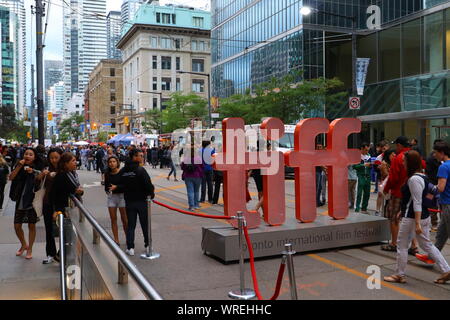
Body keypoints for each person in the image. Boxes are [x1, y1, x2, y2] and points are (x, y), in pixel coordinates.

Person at [383, 150, 450, 284]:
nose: (402, 162)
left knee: (402, 245)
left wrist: (417, 222)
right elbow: (433, 192)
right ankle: (446, 270)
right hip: (420, 217)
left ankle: (399, 274)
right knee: (427, 245)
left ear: (410, 163)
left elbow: (417, 201)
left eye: (404, 161)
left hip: (413, 218)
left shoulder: (414, 179)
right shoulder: (423, 176)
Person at [112, 149, 155, 256]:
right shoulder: (140, 170)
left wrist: (124, 187)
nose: (142, 157)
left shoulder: (124, 170)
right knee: (145, 224)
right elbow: (148, 185)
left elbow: (118, 183)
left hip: (129, 201)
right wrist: (151, 194)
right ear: (134, 157)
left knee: (131, 225)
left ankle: (130, 247)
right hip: (142, 201)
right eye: (140, 155)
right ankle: (148, 245)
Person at [8, 148, 44, 260]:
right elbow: (11, 177)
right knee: (17, 226)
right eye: (26, 154)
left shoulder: (37, 168)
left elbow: (41, 179)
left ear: (34, 157)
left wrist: (33, 172)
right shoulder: (19, 165)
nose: (27, 156)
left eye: (30, 154)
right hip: (20, 200)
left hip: (32, 201)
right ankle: (24, 244)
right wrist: (19, 166)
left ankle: (30, 248)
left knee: (31, 225)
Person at [382, 136, 414, 253]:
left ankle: (394, 243)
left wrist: (386, 188)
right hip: (412, 192)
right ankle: (414, 246)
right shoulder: (414, 155)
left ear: (400, 145)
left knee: (394, 218)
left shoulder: (399, 157)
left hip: (398, 192)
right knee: (410, 218)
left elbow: (393, 178)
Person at [38, 148, 63, 264]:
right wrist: (42, 175)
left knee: (63, 230)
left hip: (61, 204)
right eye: (51, 158)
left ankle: (61, 254)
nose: (53, 160)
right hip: (48, 202)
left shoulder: (65, 169)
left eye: (56, 157)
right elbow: (37, 182)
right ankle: (50, 254)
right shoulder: (46, 169)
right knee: (49, 229)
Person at [104, 156, 128, 245]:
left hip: (122, 197)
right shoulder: (107, 174)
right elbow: (106, 186)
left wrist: (116, 187)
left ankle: (128, 238)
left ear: (117, 163)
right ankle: (116, 240)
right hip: (111, 198)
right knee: (113, 219)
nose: (112, 163)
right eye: (110, 162)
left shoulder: (122, 172)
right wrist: (107, 190)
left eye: (114, 161)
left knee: (124, 219)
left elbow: (126, 185)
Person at [434, 142, 450, 252]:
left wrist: (428, 188)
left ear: (442, 153)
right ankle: (433, 255)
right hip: (447, 203)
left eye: (436, 153)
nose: (434, 155)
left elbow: (440, 188)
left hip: (447, 203)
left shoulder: (443, 167)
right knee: (441, 232)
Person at [426, 139, 444, 230]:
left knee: (441, 205)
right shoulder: (431, 158)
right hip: (432, 185)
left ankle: (442, 223)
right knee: (431, 204)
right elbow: (428, 172)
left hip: (441, 184)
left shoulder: (443, 160)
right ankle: (434, 223)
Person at [181, 146, 204, 211]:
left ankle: (191, 206)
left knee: (190, 191)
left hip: (188, 176)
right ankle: (196, 205)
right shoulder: (198, 158)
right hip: (198, 176)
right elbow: (202, 167)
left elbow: (182, 167)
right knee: (196, 191)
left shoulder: (186, 159)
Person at [353, 143, 372, 214]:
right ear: (362, 148)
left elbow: (370, 166)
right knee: (359, 193)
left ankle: (364, 208)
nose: (367, 151)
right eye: (366, 150)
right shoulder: (357, 156)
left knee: (367, 193)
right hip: (360, 176)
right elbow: (354, 166)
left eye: (368, 150)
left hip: (368, 176)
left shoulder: (369, 156)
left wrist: (371, 164)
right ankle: (357, 208)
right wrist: (363, 165)